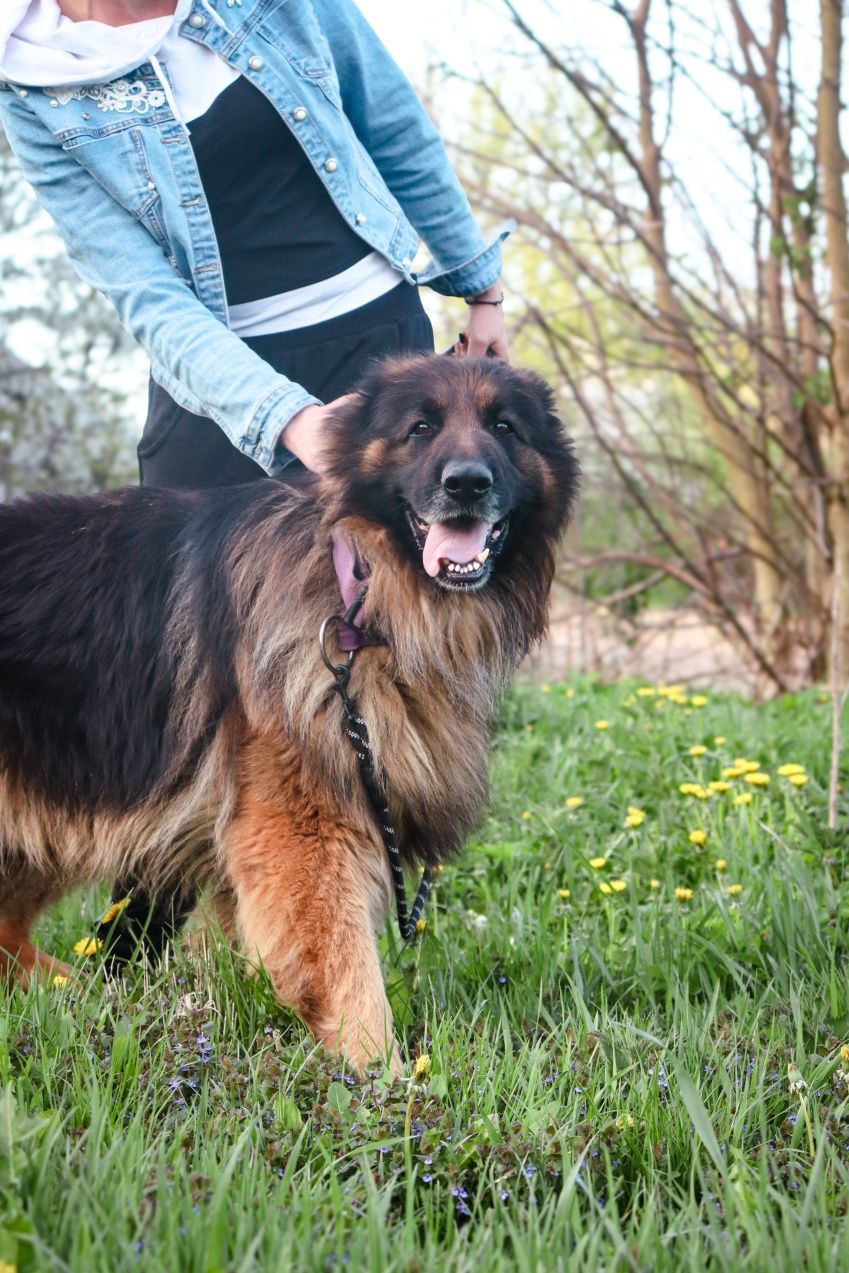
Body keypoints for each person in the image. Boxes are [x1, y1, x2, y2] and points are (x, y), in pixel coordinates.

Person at [0, 0, 512, 957]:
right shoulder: (28, 77)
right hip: (216, 384)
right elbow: (147, 295)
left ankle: (354, 932)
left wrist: (475, 283)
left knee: (392, 656)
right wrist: (283, 418)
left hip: (374, 358)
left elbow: (389, 124)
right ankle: (136, 949)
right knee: (167, 674)